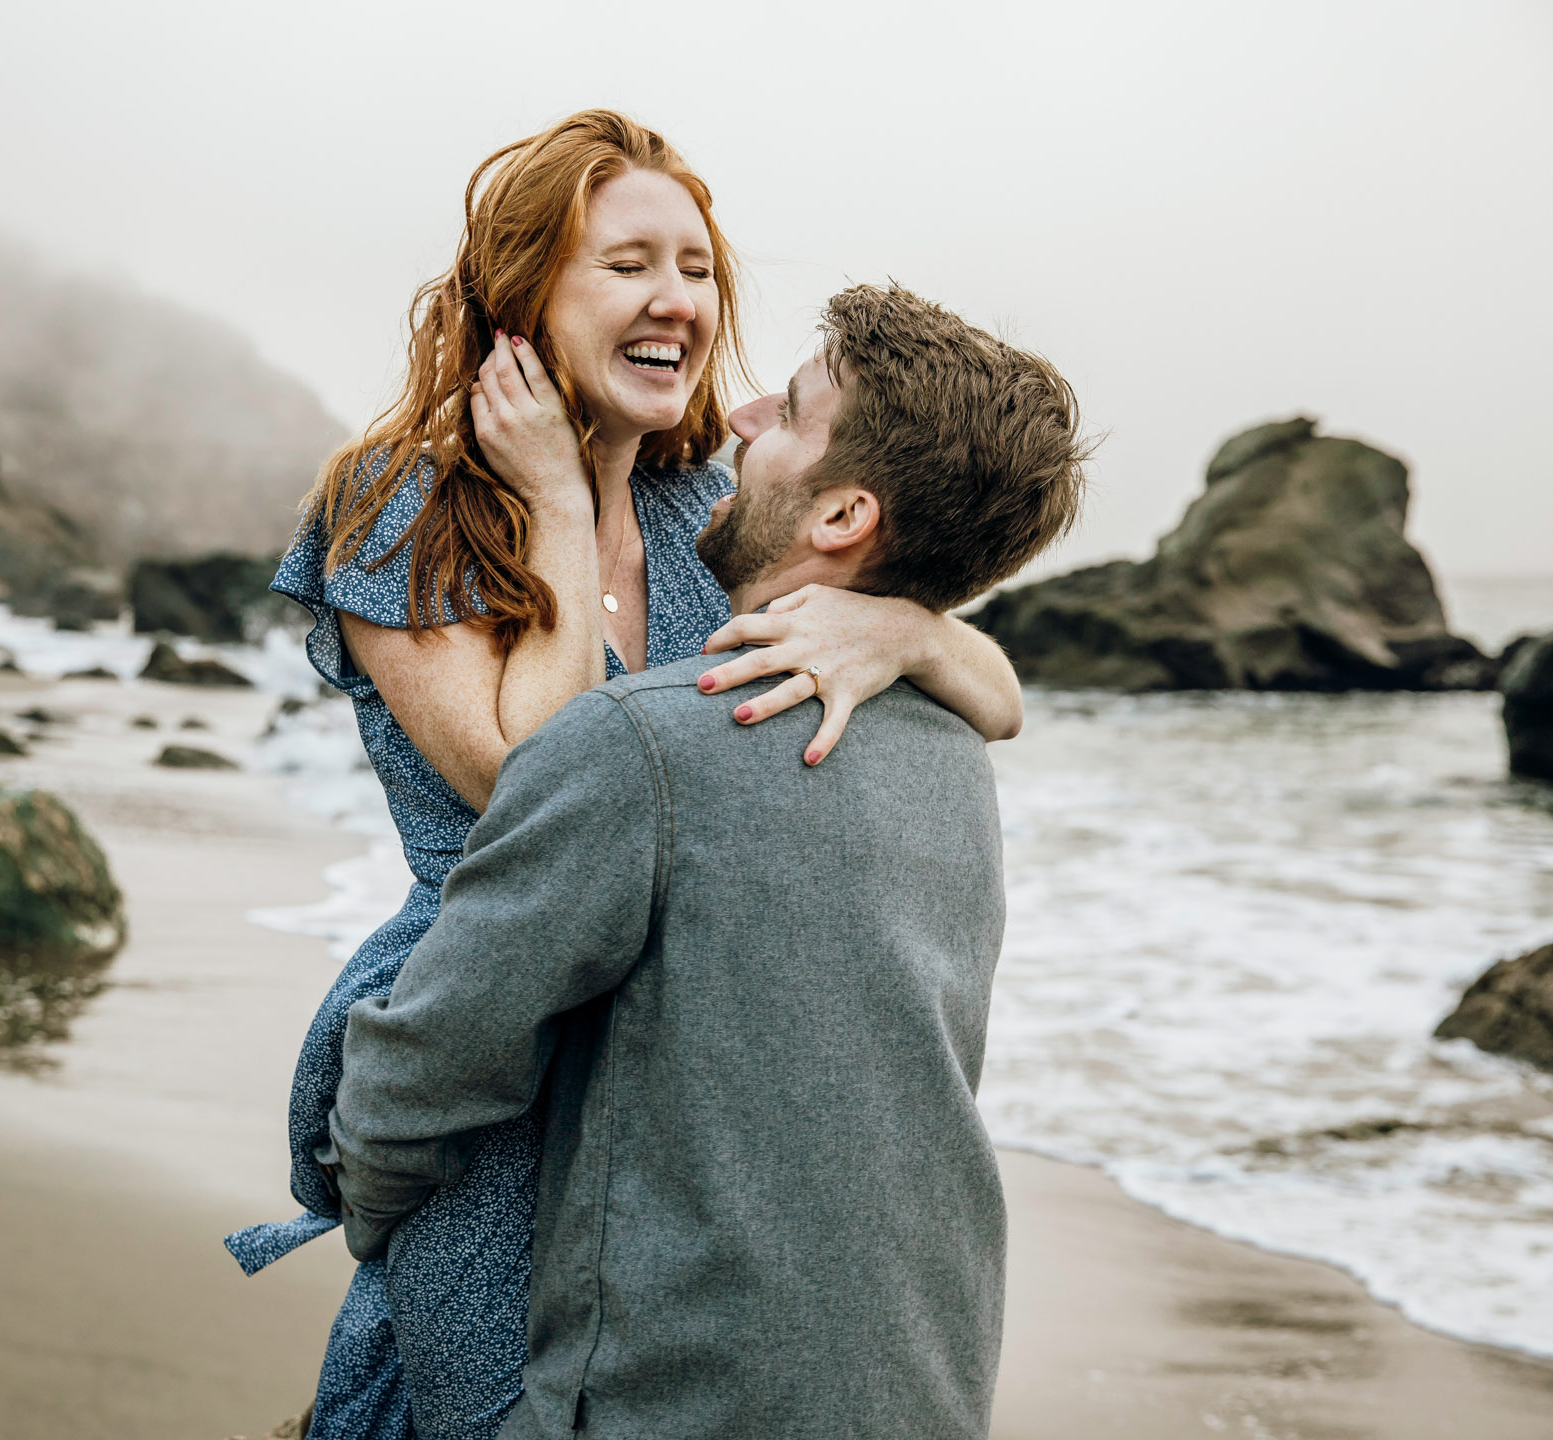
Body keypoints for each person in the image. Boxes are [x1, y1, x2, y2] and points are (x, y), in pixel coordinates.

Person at [226, 113, 1027, 1440]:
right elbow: (530, 784)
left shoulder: (698, 510)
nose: (681, 303)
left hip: (670, 1050)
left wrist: (904, 627)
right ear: (525, 296)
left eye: (700, 269)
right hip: (489, 1027)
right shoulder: (403, 507)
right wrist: (549, 502)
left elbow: (997, 706)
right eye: (629, 266)